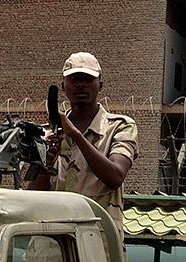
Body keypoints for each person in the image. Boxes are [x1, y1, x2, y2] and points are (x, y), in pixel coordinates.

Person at [27, 51, 138, 240]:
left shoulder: (119, 127)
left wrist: (75, 135)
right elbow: (32, 196)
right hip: (51, 244)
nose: (81, 84)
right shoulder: (47, 134)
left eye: (88, 79)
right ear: (63, 86)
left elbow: (115, 176)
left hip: (98, 243)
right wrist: (46, 165)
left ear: (100, 85)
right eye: (74, 79)